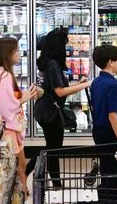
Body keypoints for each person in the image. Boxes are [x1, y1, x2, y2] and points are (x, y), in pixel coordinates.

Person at [71, 44, 117, 204]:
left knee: (110, 176)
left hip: (99, 132)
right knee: (113, 178)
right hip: (111, 133)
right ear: (110, 62)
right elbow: (112, 115)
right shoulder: (112, 84)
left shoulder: (97, 82)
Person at [32, 28, 91, 187]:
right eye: (64, 46)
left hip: (44, 109)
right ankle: (55, 184)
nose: (66, 49)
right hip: (50, 113)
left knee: (51, 148)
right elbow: (59, 91)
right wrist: (85, 85)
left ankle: (46, 178)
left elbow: (55, 88)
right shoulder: (52, 65)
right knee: (53, 150)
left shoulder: (47, 62)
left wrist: (76, 84)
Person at [0, 37, 41, 192]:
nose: (19, 53)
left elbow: (6, 97)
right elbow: (4, 104)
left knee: (17, 165)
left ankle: (22, 195)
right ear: (8, 54)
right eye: (16, 51)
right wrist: (25, 97)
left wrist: (22, 95)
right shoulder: (5, 76)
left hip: (6, 128)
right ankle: (22, 198)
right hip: (8, 129)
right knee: (18, 166)